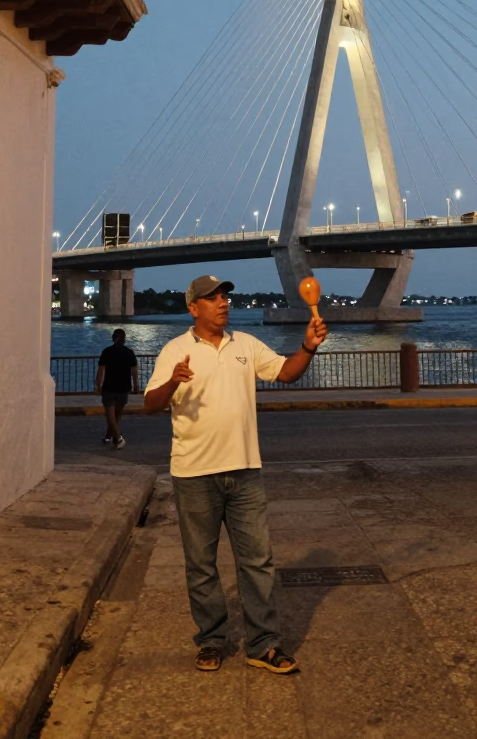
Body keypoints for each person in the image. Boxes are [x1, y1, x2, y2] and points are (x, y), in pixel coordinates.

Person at [144, 273, 328, 675]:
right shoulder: (175, 350)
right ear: (193, 308)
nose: (223, 303)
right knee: (201, 564)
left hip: (245, 471)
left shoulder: (245, 344)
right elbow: (150, 404)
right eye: (212, 298)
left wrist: (308, 347)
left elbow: (286, 373)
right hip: (194, 474)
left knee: (257, 562)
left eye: (225, 296)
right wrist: (173, 382)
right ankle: (211, 639)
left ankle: (264, 644)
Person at [95, 328, 139, 449]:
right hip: (124, 388)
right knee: (117, 415)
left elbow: (101, 370)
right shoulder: (129, 353)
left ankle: (119, 438)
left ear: (113, 338)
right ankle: (109, 437)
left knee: (110, 416)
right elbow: (134, 371)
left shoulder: (107, 352)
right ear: (124, 339)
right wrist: (136, 385)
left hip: (109, 387)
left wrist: (97, 385)